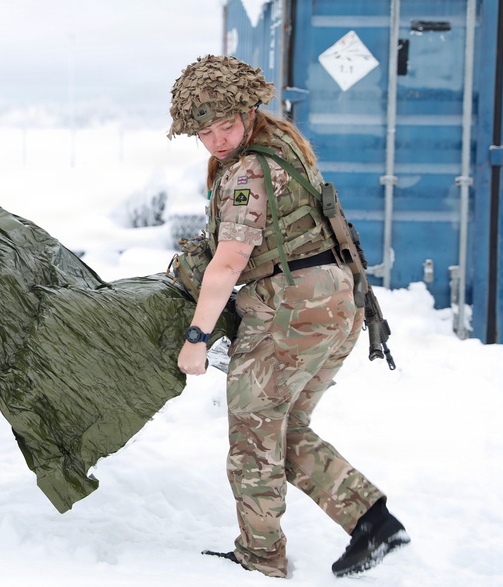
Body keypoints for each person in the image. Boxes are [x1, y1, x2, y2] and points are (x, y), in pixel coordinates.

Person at [168, 55, 409, 578]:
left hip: (292, 312)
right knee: (282, 428)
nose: (217, 141)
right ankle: (373, 521)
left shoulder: (249, 171)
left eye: (226, 125)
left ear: (249, 110)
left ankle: (259, 558)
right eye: (204, 133)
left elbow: (229, 262)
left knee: (254, 434)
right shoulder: (285, 152)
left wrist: (196, 337)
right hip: (334, 306)